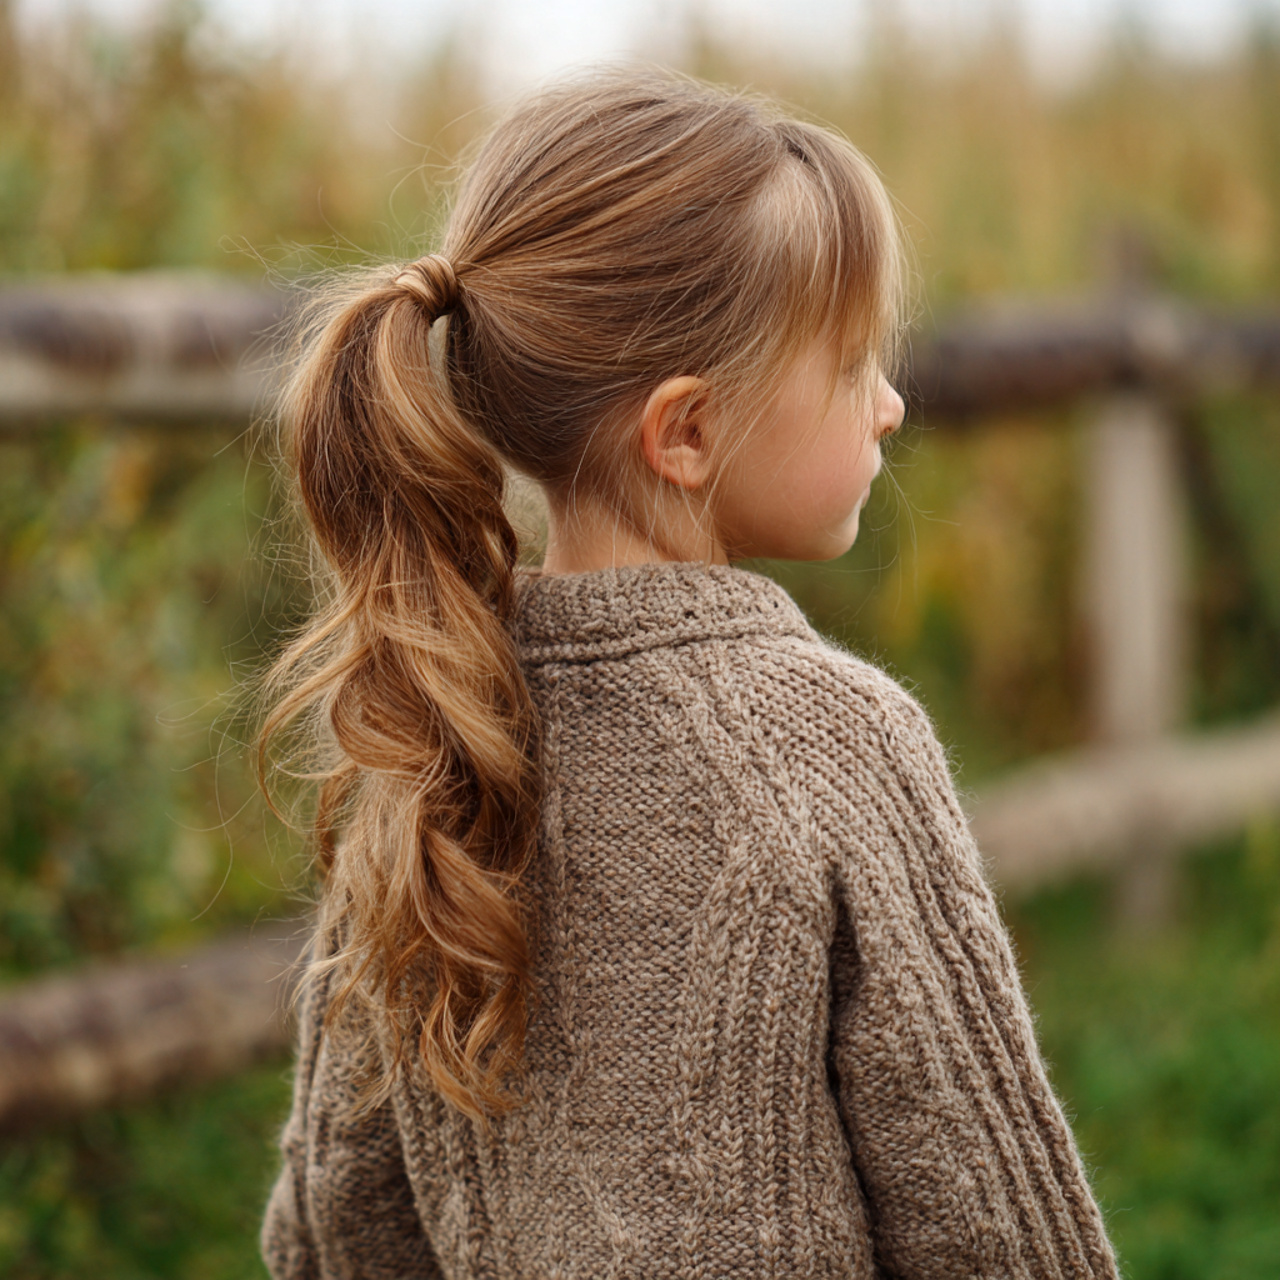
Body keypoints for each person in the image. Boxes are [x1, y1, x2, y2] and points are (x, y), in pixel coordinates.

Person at [259, 68, 1119, 1279]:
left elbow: (335, 1227)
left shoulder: (428, 725)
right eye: (848, 360)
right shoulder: (832, 741)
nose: (888, 402)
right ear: (688, 432)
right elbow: (991, 1223)